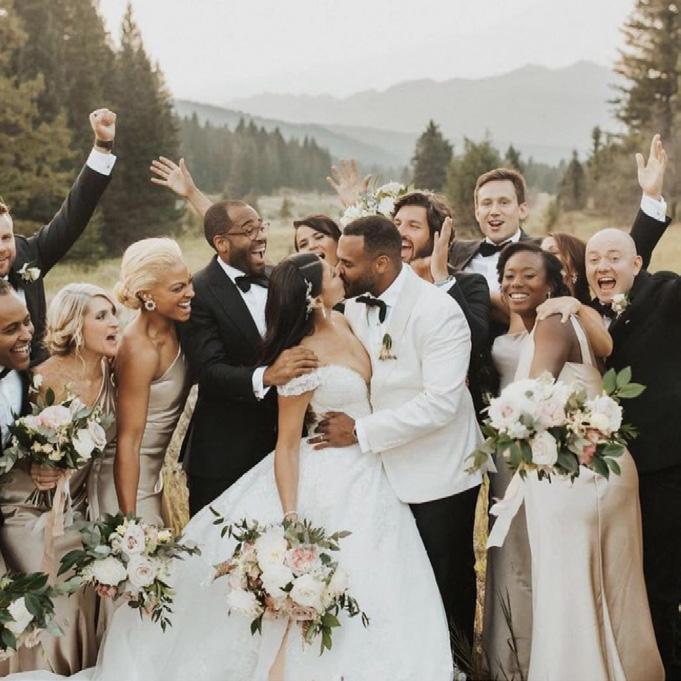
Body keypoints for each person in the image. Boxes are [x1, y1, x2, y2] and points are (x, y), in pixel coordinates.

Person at [10, 253, 455, 681]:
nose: (341, 273)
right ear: (315, 296)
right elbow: (287, 445)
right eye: (332, 272)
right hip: (323, 474)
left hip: (371, 474)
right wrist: (291, 517)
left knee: (381, 579)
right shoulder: (302, 356)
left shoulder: (350, 318)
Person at [484, 241, 663, 680]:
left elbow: (530, 399)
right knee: (611, 588)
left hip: (575, 475)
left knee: (570, 590)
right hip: (598, 467)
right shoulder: (569, 318)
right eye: (508, 276)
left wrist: (504, 423)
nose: (515, 283)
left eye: (529, 275)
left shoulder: (551, 324)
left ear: (552, 285)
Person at [314, 216, 483, 665]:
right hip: (381, 473)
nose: (339, 269)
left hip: (440, 470)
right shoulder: (354, 307)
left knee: (447, 577)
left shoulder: (438, 312)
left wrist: (360, 431)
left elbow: (441, 404)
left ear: (382, 263)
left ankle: (458, 666)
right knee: (405, 582)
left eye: (347, 263)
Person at [0, 283, 118, 675]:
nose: (114, 322)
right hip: (28, 505)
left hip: (77, 504)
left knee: (90, 572)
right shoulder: (38, 380)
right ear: (75, 326)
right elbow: (12, 445)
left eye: (113, 313)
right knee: (48, 594)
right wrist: (35, 463)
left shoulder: (113, 370)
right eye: (101, 316)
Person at [584, 227, 681, 680]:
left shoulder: (665, 294)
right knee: (624, 578)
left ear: (638, 264)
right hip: (607, 473)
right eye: (594, 259)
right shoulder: (581, 310)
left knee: (661, 578)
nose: (603, 266)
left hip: (664, 466)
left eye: (614, 258)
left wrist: (651, 208)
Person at [179, 201, 318, 516]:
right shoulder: (198, 292)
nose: (261, 236)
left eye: (261, 226)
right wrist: (267, 376)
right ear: (222, 243)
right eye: (249, 230)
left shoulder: (277, 277)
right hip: (224, 454)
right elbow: (209, 371)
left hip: (286, 449)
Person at [0, 109, 117, 363]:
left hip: (37, 382)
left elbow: (73, 217)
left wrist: (103, 146)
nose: (1, 248)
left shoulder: (27, 255)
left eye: (5, 238)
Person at [109, 238, 193, 527]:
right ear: (147, 295)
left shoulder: (178, 326)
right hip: (131, 483)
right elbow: (128, 442)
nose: (190, 293)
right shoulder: (140, 350)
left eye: (189, 282)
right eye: (178, 288)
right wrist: (130, 524)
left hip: (153, 476)